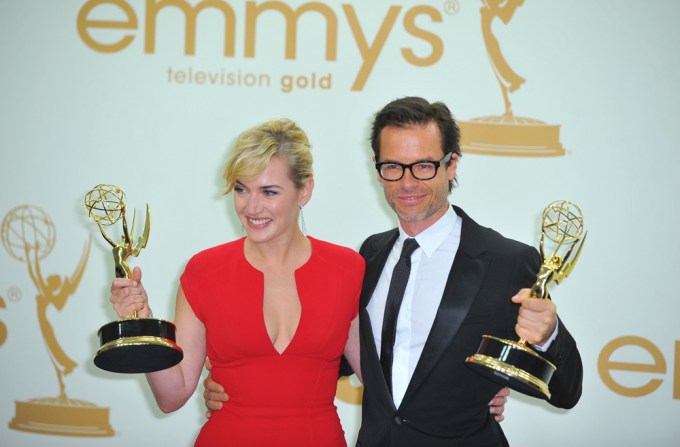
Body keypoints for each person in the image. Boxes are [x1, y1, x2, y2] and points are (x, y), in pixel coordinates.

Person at [204, 97, 577, 445]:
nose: (408, 182)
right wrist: (241, 384)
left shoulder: (506, 260)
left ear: (452, 165)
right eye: (393, 167)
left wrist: (548, 336)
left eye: (425, 166)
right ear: (378, 171)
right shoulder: (369, 256)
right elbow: (335, 356)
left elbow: (566, 390)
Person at [109, 118, 365, 446]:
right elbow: (171, 397)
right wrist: (141, 324)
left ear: (305, 190)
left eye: (269, 192)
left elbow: (381, 385)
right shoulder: (204, 271)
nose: (251, 207)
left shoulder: (347, 269)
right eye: (242, 189)